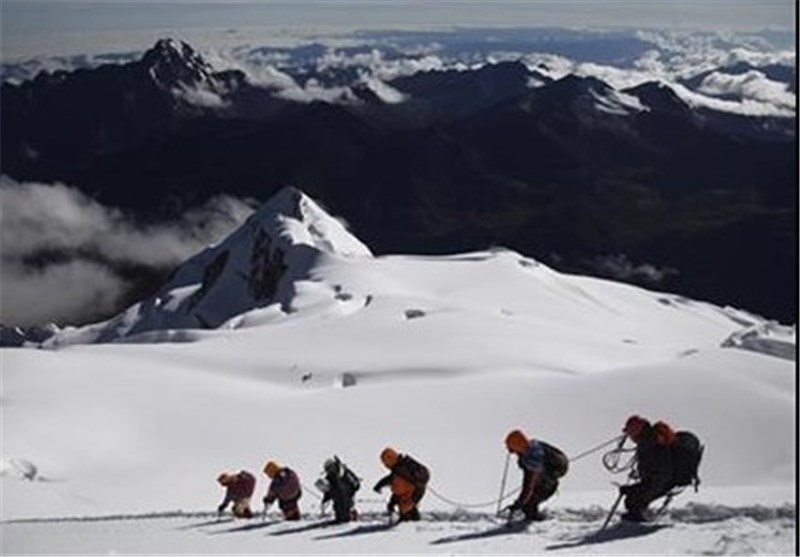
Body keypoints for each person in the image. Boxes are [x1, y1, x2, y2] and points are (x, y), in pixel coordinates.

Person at [618, 415, 674, 522]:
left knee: (632, 499)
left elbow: (654, 469)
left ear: (636, 430)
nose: (629, 436)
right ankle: (640, 518)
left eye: (630, 432)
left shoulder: (648, 442)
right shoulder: (650, 439)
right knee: (634, 498)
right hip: (663, 479)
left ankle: (636, 524)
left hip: (660, 481)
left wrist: (633, 488)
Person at [504, 429, 568, 521]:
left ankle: (536, 522)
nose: (513, 453)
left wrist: (520, 502)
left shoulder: (533, 460)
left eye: (513, 450)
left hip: (554, 473)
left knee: (529, 504)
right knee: (530, 500)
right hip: (557, 466)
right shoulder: (532, 448)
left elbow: (528, 485)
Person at [372, 447, 429, 522]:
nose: (385, 465)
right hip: (413, 495)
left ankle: (409, 527)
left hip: (409, 497)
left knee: (407, 515)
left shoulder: (400, 470)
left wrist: (392, 502)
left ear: (390, 459)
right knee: (410, 513)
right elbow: (392, 480)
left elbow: (398, 489)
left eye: (385, 462)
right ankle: (413, 524)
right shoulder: (399, 466)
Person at [315, 455, 361, 523]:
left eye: (329, 469)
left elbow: (355, 484)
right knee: (338, 508)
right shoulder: (330, 476)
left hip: (347, 494)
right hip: (338, 497)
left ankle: (350, 517)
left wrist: (350, 492)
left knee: (346, 507)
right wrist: (326, 498)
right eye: (327, 470)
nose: (328, 471)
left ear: (333, 466)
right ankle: (342, 518)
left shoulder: (343, 472)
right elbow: (328, 489)